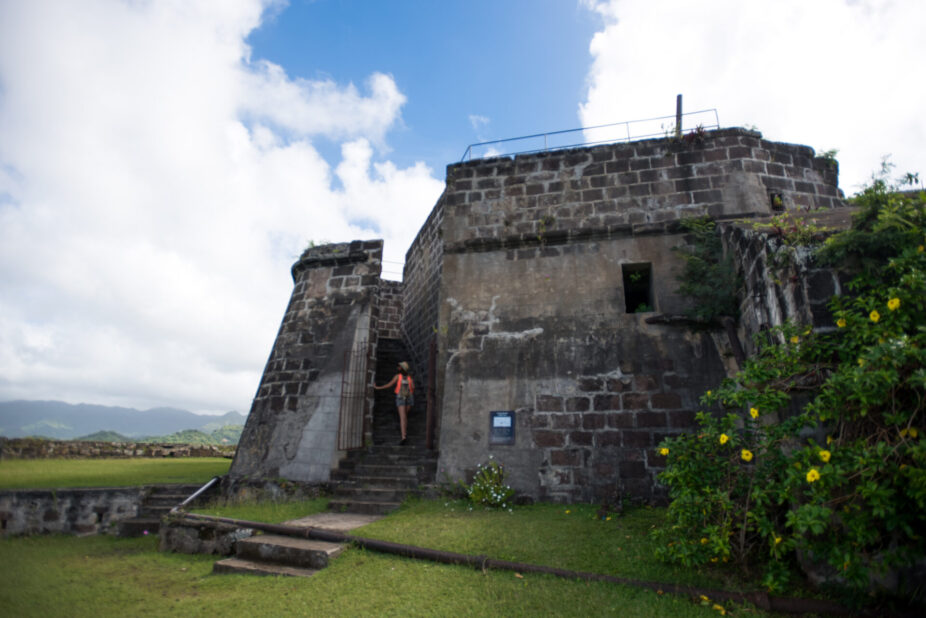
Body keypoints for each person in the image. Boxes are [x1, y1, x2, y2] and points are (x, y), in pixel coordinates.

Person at [374, 361, 414, 445]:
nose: (397, 368)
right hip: (405, 397)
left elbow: (390, 385)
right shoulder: (404, 377)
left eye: (399, 367)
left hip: (405, 397)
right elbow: (412, 387)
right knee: (404, 416)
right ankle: (404, 436)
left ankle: (404, 435)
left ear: (402, 368)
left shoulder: (403, 377)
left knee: (404, 417)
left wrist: (378, 388)